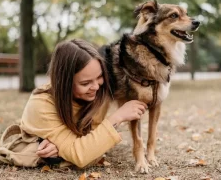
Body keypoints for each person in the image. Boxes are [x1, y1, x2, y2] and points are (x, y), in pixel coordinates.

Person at [20, 39, 147, 168]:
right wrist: (117, 117)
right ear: (65, 82)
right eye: (85, 83)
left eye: (99, 77)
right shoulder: (41, 105)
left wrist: (63, 147)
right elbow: (82, 155)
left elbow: (95, 145)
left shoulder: (92, 95)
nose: (96, 87)